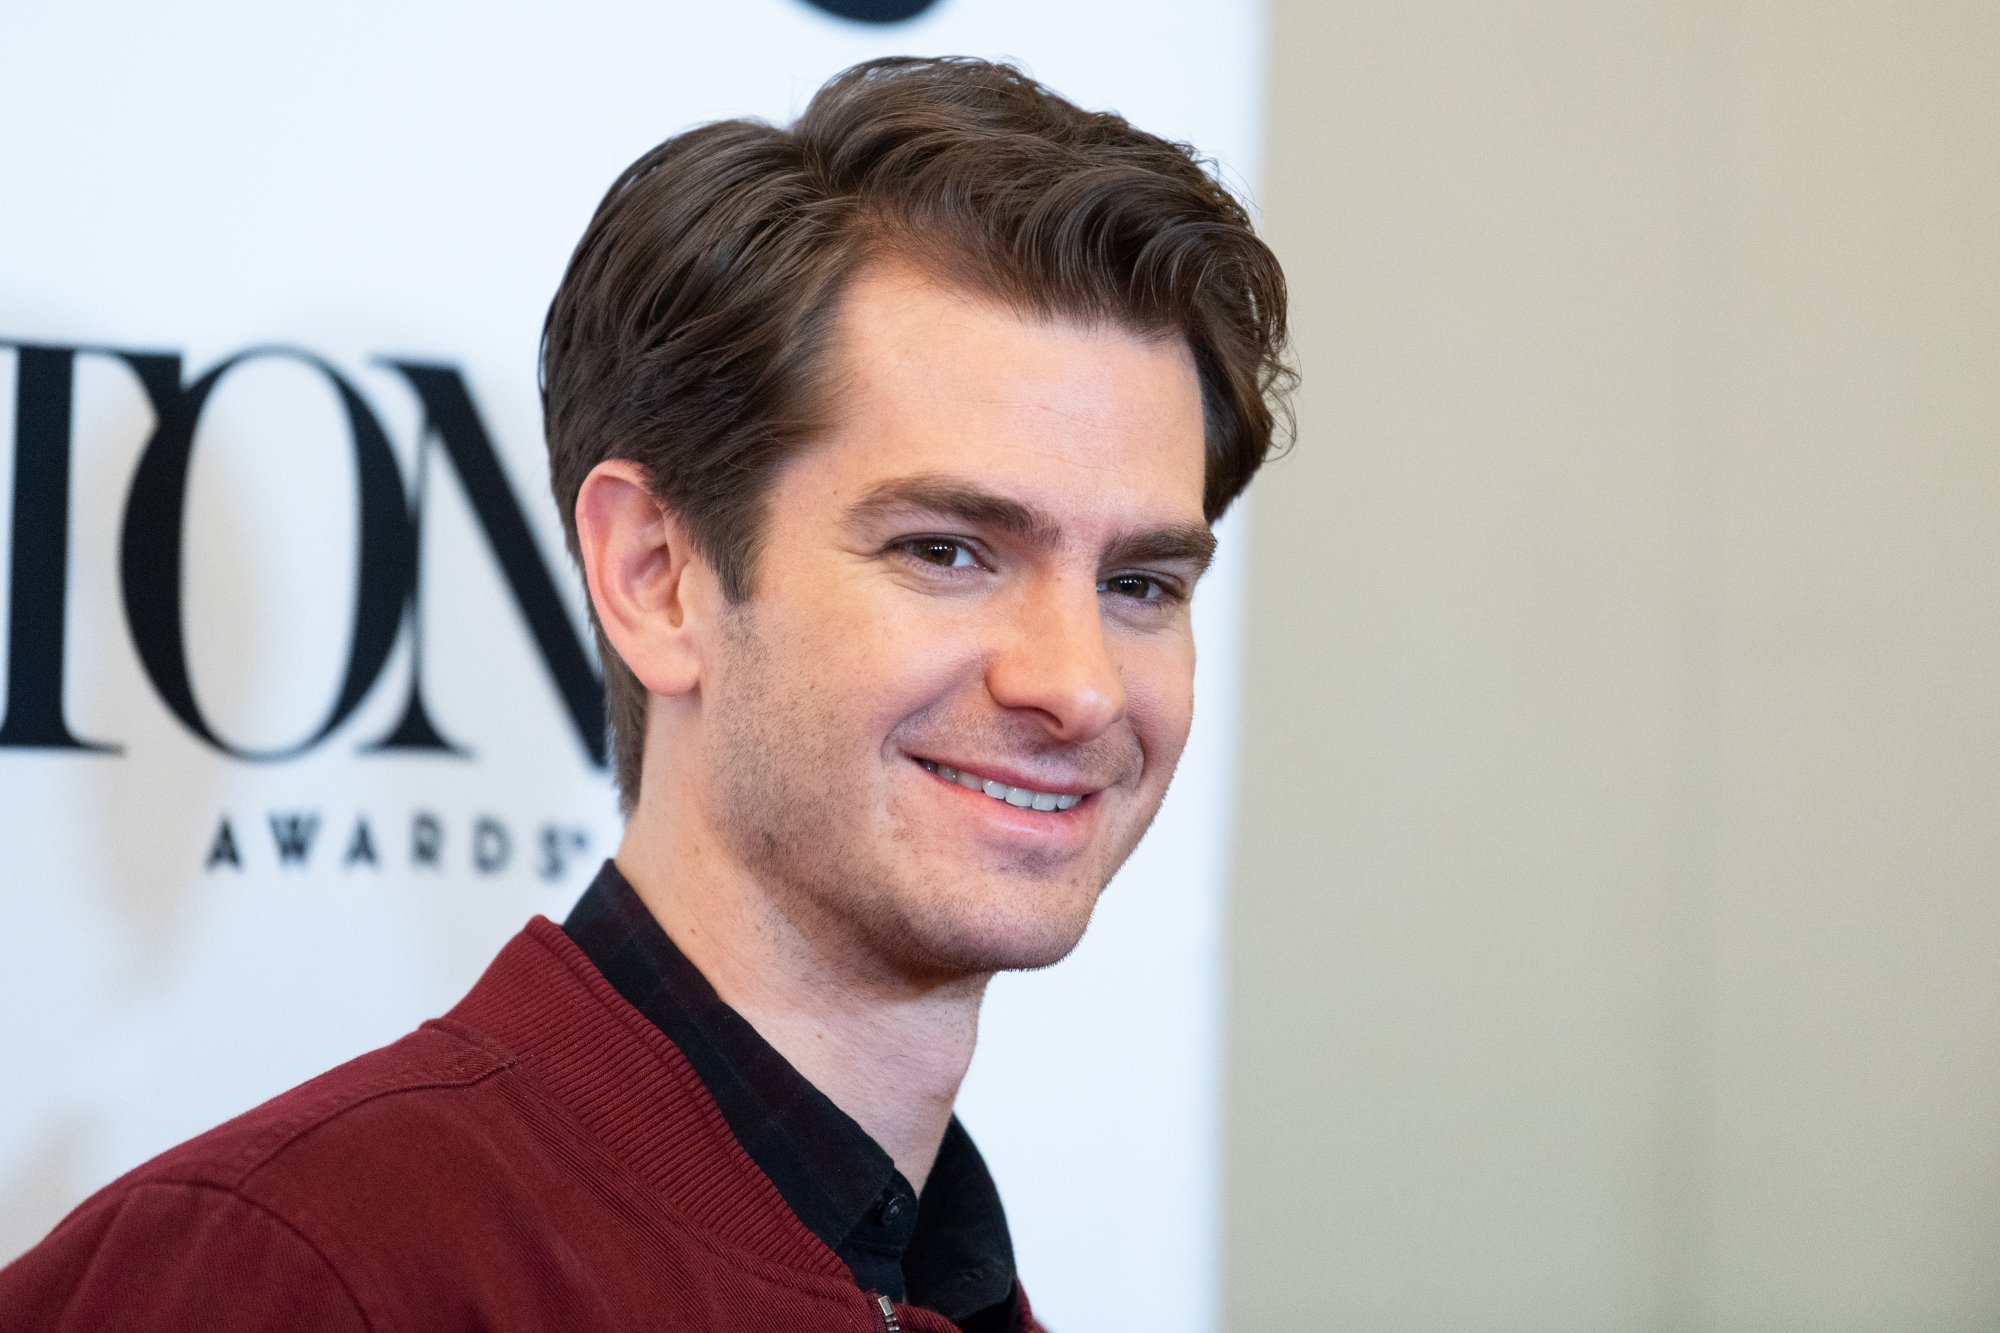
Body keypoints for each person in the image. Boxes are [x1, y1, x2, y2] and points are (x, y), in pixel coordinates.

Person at [0, 56, 1290, 1332]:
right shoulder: (290, 1273)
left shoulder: (942, 1287)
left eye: (1140, 583)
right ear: (656, 576)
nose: (1073, 685)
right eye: (946, 551)